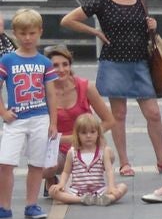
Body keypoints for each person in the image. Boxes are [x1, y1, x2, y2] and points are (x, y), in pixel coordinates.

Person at [61, 0, 162, 177]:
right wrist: (94, 32)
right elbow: (68, 20)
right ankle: (124, 162)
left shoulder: (139, 0)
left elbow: (145, 29)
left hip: (140, 62)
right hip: (114, 63)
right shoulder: (102, 1)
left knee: (153, 113)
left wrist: (151, 25)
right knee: (119, 114)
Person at [0, 8, 57, 219]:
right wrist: (3, 112)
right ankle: (4, 206)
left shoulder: (45, 62)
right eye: (23, 33)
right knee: (5, 162)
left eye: (32, 33)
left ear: (40, 32)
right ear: (15, 33)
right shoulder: (7, 60)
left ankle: (31, 204)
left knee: (36, 163)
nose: (27, 38)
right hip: (16, 119)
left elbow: (51, 94)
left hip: (40, 117)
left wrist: (53, 122)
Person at [42, 44, 115, 192]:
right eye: (55, 65)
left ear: (70, 65)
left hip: (86, 144)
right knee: (43, 169)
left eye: (65, 64)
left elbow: (109, 120)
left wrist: (90, 134)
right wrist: (66, 139)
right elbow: (37, 128)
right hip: (58, 146)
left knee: (109, 155)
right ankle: (51, 179)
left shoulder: (85, 87)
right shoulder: (42, 90)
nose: (61, 70)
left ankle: (85, 178)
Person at [48, 113, 126, 206]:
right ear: (77, 135)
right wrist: (61, 184)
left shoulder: (103, 151)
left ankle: (108, 198)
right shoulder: (72, 152)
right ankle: (81, 199)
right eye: (84, 133)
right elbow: (66, 172)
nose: (88, 136)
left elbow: (109, 171)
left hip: (99, 190)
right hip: (77, 190)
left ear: (98, 133)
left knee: (123, 187)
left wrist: (111, 187)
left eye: (92, 132)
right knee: (52, 191)